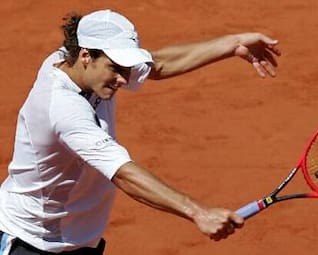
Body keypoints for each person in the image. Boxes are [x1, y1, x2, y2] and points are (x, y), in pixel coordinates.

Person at [0, 9, 280, 255]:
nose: (124, 79)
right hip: (34, 243)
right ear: (86, 55)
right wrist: (198, 212)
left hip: (78, 241)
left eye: (126, 67)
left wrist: (233, 43)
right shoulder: (63, 107)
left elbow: (156, 64)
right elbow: (123, 172)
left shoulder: (74, 60)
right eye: (115, 68)